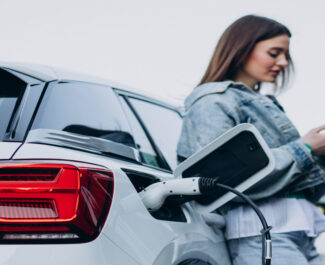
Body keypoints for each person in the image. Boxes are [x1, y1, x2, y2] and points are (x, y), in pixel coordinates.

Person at [177, 15, 325, 265]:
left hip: (295, 233)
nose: (283, 62)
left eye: (286, 55)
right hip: (262, 235)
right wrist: (305, 148)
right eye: (274, 53)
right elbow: (222, 180)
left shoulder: (265, 103)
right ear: (242, 49)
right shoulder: (212, 102)